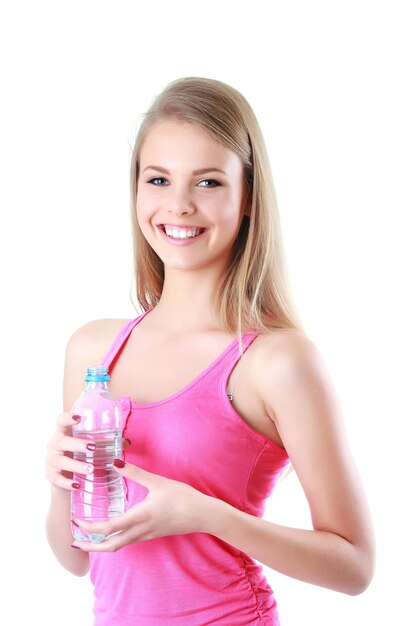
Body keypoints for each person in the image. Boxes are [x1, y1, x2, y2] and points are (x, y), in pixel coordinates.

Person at [45, 77, 375, 625]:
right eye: (158, 179)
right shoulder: (93, 351)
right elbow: (76, 559)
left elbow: (355, 567)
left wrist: (210, 517)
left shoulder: (277, 361)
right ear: (136, 192)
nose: (178, 204)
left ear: (247, 199)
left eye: (208, 182)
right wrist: (60, 486)